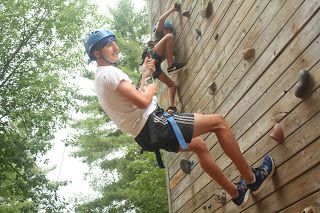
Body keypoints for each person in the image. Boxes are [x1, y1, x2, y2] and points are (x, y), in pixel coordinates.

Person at [84, 29, 276, 208]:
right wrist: (150, 91)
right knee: (219, 123)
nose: (115, 47)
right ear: (97, 54)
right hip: (154, 123)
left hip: (146, 135)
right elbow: (143, 102)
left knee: (199, 145)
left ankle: (236, 193)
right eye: (109, 45)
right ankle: (253, 179)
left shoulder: (101, 78)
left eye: (114, 42)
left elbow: (133, 100)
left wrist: (145, 76)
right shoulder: (109, 73)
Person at [142, 3, 186, 113]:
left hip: (154, 68)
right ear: (165, 29)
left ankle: (172, 108)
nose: (170, 34)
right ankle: (171, 66)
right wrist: (172, 9)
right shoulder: (159, 35)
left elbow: (170, 51)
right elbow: (161, 19)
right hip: (152, 58)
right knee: (169, 37)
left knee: (173, 86)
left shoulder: (167, 47)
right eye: (169, 31)